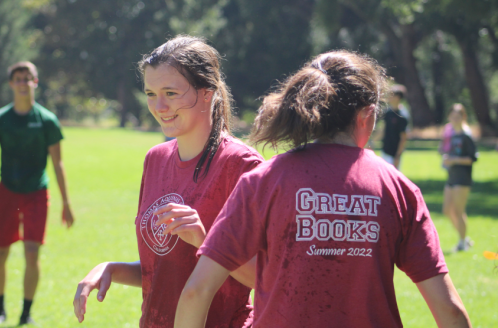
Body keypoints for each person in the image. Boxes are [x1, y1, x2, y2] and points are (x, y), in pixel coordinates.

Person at [175, 51, 471, 328]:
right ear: (367, 115)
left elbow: (196, 291)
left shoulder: (264, 180)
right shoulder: (398, 188)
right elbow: (450, 311)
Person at [72, 35, 262, 327]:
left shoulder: (242, 166)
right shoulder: (155, 159)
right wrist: (112, 269)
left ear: (207, 92)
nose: (159, 106)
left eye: (171, 93)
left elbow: (267, 277)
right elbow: (164, 271)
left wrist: (205, 240)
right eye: (150, 93)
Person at [0, 61, 75, 325]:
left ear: (35, 82)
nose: (22, 82)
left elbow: (58, 163)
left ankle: (26, 313)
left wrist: (66, 202)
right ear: (11, 84)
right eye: (17, 78)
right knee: (0, 252)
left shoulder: (47, 120)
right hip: (7, 192)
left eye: (27, 78)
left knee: (32, 253)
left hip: (36, 193)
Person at [442, 104, 478, 252]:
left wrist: (453, 160)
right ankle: (464, 238)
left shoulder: (466, 135)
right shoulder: (452, 135)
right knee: (446, 210)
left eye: (458, 117)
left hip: (462, 178)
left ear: (463, 117)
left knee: (458, 210)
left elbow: (472, 158)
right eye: (452, 117)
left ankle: (462, 242)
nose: (455, 119)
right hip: (451, 177)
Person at [381, 84, 409, 169]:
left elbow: (403, 138)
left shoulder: (402, 116)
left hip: (394, 154)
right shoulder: (388, 112)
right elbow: (384, 129)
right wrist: (372, 141)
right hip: (385, 151)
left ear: (397, 97)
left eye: (391, 95)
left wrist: (397, 156)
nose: (389, 97)